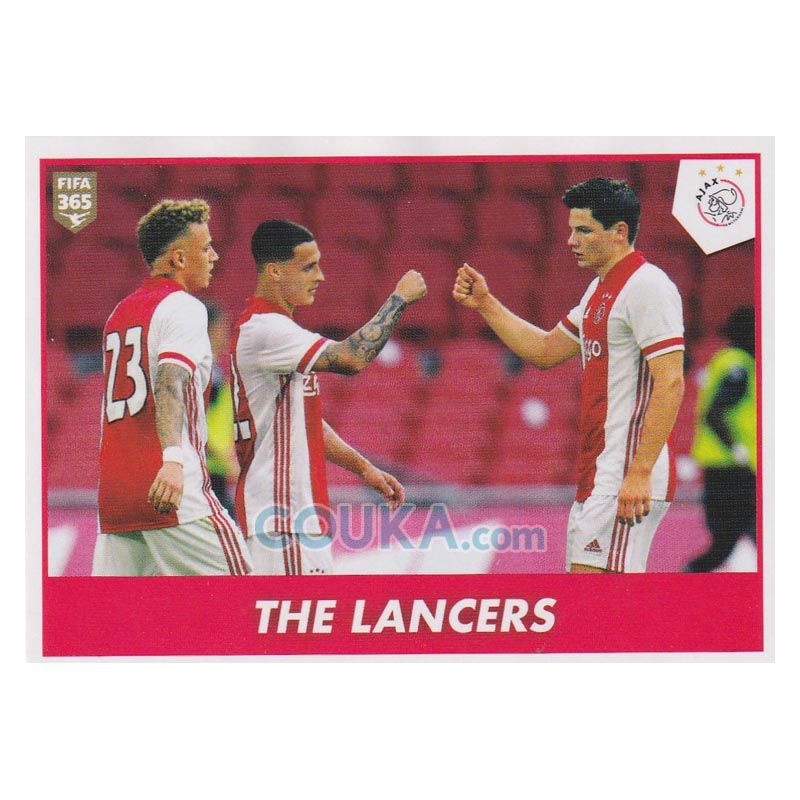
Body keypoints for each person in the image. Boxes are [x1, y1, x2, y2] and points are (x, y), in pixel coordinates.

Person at [453, 177, 685, 573]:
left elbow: (671, 381)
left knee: (592, 603)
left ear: (619, 232)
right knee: (597, 605)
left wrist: (640, 472)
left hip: (625, 471)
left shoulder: (647, 286)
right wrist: (486, 304)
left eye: (584, 231)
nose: (571, 241)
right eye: (571, 230)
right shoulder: (598, 291)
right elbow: (546, 351)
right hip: (600, 473)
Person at [231, 219, 427, 575]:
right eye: (308, 267)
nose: (320, 277)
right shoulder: (267, 329)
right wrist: (399, 299)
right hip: (282, 520)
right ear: (275, 271)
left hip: (293, 520)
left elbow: (306, 424)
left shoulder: (276, 331)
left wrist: (364, 468)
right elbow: (351, 358)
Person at [93, 199, 252, 576]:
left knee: (119, 612)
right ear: (179, 259)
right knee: (243, 598)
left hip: (117, 498)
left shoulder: (119, 313)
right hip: (173, 489)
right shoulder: (184, 307)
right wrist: (172, 460)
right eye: (206, 247)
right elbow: (169, 382)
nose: (214, 256)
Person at [687, 306, 756, 572]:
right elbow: (715, 413)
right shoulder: (738, 364)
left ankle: (690, 576)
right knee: (737, 537)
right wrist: (736, 448)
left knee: (726, 542)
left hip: (724, 467)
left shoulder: (727, 359)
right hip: (732, 469)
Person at [204, 302, 238, 518]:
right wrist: (226, 461)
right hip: (208, 470)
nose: (226, 334)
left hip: (214, 470)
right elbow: (194, 422)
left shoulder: (213, 372)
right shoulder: (208, 375)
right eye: (221, 328)